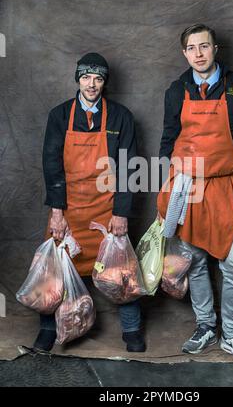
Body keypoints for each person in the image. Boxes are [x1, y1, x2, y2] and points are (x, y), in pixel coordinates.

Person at [157, 24, 233, 363]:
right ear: (184, 53)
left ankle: (232, 335)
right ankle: (206, 326)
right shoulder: (176, 91)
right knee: (196, 262)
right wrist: (164, 189)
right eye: (192, 48)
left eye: (204, 46)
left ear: (216, 49)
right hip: (187, 189)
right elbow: (168, 140)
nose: (199, 54)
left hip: (228, 188)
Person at [32, 52, 145, 353]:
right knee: (54, 273)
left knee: (121, 273)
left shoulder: (121, 117)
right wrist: (57, 213)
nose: (91, 84)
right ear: (77, 80)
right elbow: (52, 165)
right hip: (67, 208)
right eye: (85, 77)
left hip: (106, 209)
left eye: (97, 78)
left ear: (104, 82)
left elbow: (129, 167)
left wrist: (121, 213)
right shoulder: (60, 115)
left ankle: (132, 331)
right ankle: (47, 329)